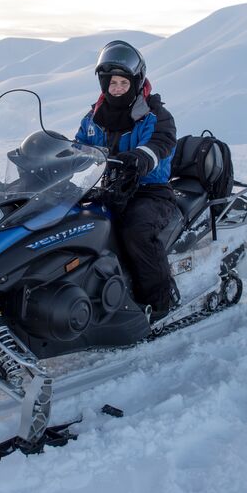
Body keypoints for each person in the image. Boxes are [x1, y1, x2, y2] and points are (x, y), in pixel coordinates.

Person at [76, 40, 181, 322]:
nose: (117, 88)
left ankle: (159, 303)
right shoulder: (94, 117)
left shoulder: (155, 115)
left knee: (136, 230)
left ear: (136, 82)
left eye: (123, 82)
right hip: (108, 190)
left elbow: (160, 143)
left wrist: (138, 158)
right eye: (112, 83)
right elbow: (78, 148)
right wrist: (46, 156)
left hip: (150, 192)